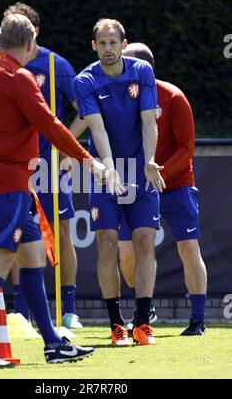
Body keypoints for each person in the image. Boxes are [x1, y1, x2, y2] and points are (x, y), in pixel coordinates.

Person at [0, 13, 106, 367]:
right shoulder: (18, 77)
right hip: (6, 185)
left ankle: (53, 343)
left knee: (33, 256)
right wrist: (88, 159)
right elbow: (51, 124)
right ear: (29, 44)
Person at [74, 19, 165, 346]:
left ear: (123, 44)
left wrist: (151, 161)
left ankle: (142, 324)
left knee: (143, 242)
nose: (108, 49)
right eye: (103, 43)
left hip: (141, 171)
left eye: (114, 43)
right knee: (107, 244)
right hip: (105, 172)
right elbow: (96, 129)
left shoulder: (142, 71)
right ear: (94, 46)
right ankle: (116, 326)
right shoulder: (85, 80)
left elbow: (148, 121)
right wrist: (109, 170)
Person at [119, 43, 207, 336]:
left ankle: (198, 320)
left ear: (144, 68)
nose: (121, 70)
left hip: (176, 183)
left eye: (127, 64)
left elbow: (187, 147)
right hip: (138, 185)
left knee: (188, 246)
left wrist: (162, 171)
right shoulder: (122, 98)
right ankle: (145, 306)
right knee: (128, 251)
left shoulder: (173, 97)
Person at [4, 3, 82, 329]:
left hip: (51, 166)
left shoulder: (55, 64)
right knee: (17, 232)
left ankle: (70, 310)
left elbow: (84, 110)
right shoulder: (2, 67)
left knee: (61, 231)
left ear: (33, 34)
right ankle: (21, 311)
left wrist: (66, 147)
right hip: (17, 164)